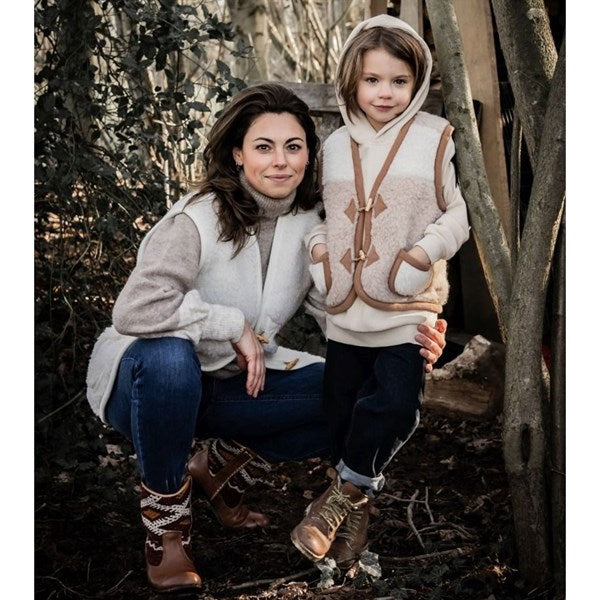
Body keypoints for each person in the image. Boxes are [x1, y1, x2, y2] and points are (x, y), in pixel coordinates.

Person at [85, 82, 447, 593]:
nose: (280, 161)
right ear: (238, 154)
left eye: (293, 147)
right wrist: (231, 325)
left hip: (231, 385)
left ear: (309, 156)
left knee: (361, 389)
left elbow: (339, 310)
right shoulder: (196, 218)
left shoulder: (312, 226)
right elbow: (135, 309)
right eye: (264, 146)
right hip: (145, 385)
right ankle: (167, 531)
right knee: (169, 357)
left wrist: (404, 340)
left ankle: (220, 468)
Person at [290, 15, 470, 569]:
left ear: (418, 82)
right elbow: (319, 216)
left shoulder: (434, 137)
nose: (385, 93)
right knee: (340, 414)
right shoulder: (334, 145)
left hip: (406, 305)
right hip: (346, 311)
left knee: (395, 405)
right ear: (352, 80)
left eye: (399, 81)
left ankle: (337, 499)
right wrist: (319, 251)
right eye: (372, 80)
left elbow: (457, 214)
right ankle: (352, 519)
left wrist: (421, 254)